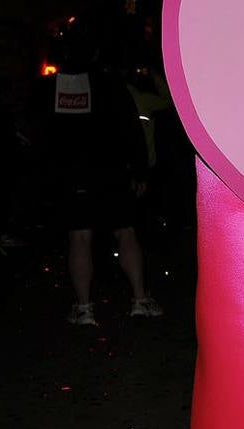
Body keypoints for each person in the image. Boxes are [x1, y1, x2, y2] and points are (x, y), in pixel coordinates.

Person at [42, 21, 162, 325]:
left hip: (73, 176)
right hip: (111, 173)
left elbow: (43, 135)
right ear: (96, 52)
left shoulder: (51, 88)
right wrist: (139, 171)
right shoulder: (109, 84)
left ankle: (84, 309)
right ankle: (139, 299)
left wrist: (51, 176)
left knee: (79, 237)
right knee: (125, 231)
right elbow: (130, 128)